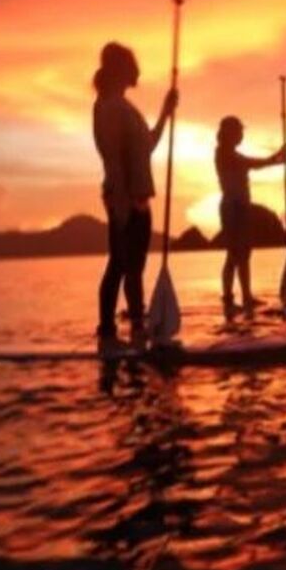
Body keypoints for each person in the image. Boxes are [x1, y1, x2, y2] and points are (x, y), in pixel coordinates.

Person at [92, 42, 177, 346]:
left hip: (137, 198)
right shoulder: (109, 107)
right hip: (124, 198)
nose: (137, 70)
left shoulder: (125, 107)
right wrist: (123, 204)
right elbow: (113, 157)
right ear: (119, 69)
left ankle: (133, 327)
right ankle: (111, 330)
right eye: (132, 64)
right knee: (121, 264)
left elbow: (147, 146)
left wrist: (165, 113)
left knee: (131, 267)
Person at [215, 115, 286, 318]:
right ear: (230, 133)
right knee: (235, 254)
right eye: (239, 131)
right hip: (233, 208)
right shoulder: (223, 153)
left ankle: (245, 295)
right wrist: (276, 158)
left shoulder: (232, 153)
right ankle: (233, 297)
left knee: (242, 253)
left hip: (241, 207)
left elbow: (251, 164)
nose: (241, 135)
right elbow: (250, 163)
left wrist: (277, 159)